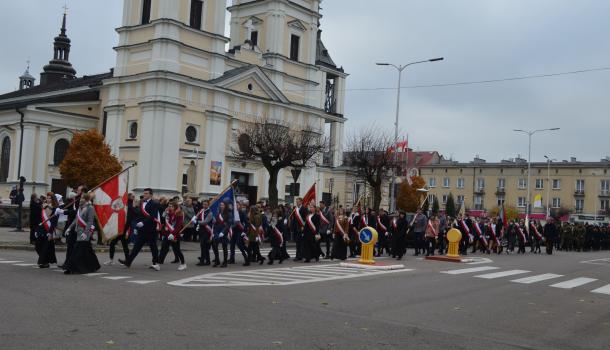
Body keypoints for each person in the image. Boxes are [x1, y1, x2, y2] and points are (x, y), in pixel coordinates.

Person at [119, 188, 161, 270]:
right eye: (144, 193)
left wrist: (143, 223)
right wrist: (137, 225)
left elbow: (153, 217)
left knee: (153, 247)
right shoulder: (142, 203)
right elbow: (139, 215)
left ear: (151, 195)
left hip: (151, 229)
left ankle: (156, 263)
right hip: (142, 229)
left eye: (146, 193)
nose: (145, 194)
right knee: (137, 246)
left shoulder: (154, 204)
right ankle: (128, 262)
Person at [63, 193, 101, 274]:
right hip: (78, 232)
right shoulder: (80, 207)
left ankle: (71, 268)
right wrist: (69, 228)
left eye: (82, 198)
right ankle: (94, 265)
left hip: (84, 233)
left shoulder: (90, 208)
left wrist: (86, 233)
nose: (80, 200)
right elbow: (76, 219)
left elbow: (90, 222)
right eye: (80, 198)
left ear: (86, 199)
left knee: (77, 251)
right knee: (87, 251)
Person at [105, 193, 134, 265]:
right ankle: (125, 260)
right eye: (132, 196)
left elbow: (128, 219)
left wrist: (126, 229)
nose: (134, 198)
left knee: (116, 244)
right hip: (121, 228)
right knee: (122, 244)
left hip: (123, 229)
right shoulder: (126, 205)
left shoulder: (129, 206)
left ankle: (115, 260)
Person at [158, 202, 186, 270]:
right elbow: (166, 221)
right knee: (163, 246)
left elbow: (178, 226)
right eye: (169, 206)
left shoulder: (179, 214)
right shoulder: (169, 213)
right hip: (167, 234)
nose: (169, 207)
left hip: (175, 234)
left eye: (171, 206)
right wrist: (165, 212)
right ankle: (157, 262)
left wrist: (173, 234)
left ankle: (183, 263)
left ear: (175, 207)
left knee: (177, 250)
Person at [35, 192, 61, 268]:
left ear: (53, 199)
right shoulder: (43, 206)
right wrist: (36, 230)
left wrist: (50, 232)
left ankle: (43, 262)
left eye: (50, 198)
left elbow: (54, 221)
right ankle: (45, 260)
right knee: (38, 246)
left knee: (45, 247)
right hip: (41, 228)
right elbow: (40, 219)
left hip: (49, 229)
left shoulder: (56, 209)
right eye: (47, 198)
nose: (48, 199)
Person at [211, 201, 232, 268]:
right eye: (220, 205)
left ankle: (225, 262)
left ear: (225, 206)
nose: (221, 206)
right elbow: (216, 223)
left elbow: (228, 224)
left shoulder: (229, 214)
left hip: (224, 232)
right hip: (217, 232)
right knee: (214, 245)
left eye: (223, 205)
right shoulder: (219, 213)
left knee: (224, 247)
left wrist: (223, 232)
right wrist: (214, 232)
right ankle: (217, 260)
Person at [230, 201, 251, 266]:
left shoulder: (242, 213)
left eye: (237, 205)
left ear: (240, 206)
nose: (236, 207)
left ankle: (247, 258)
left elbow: (247, 223)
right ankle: (232, 259)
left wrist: (244, 232)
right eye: (235, 205)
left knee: (240, 245)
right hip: (233, 231)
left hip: (240, 231)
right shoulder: (232, 213)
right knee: (232, 245)